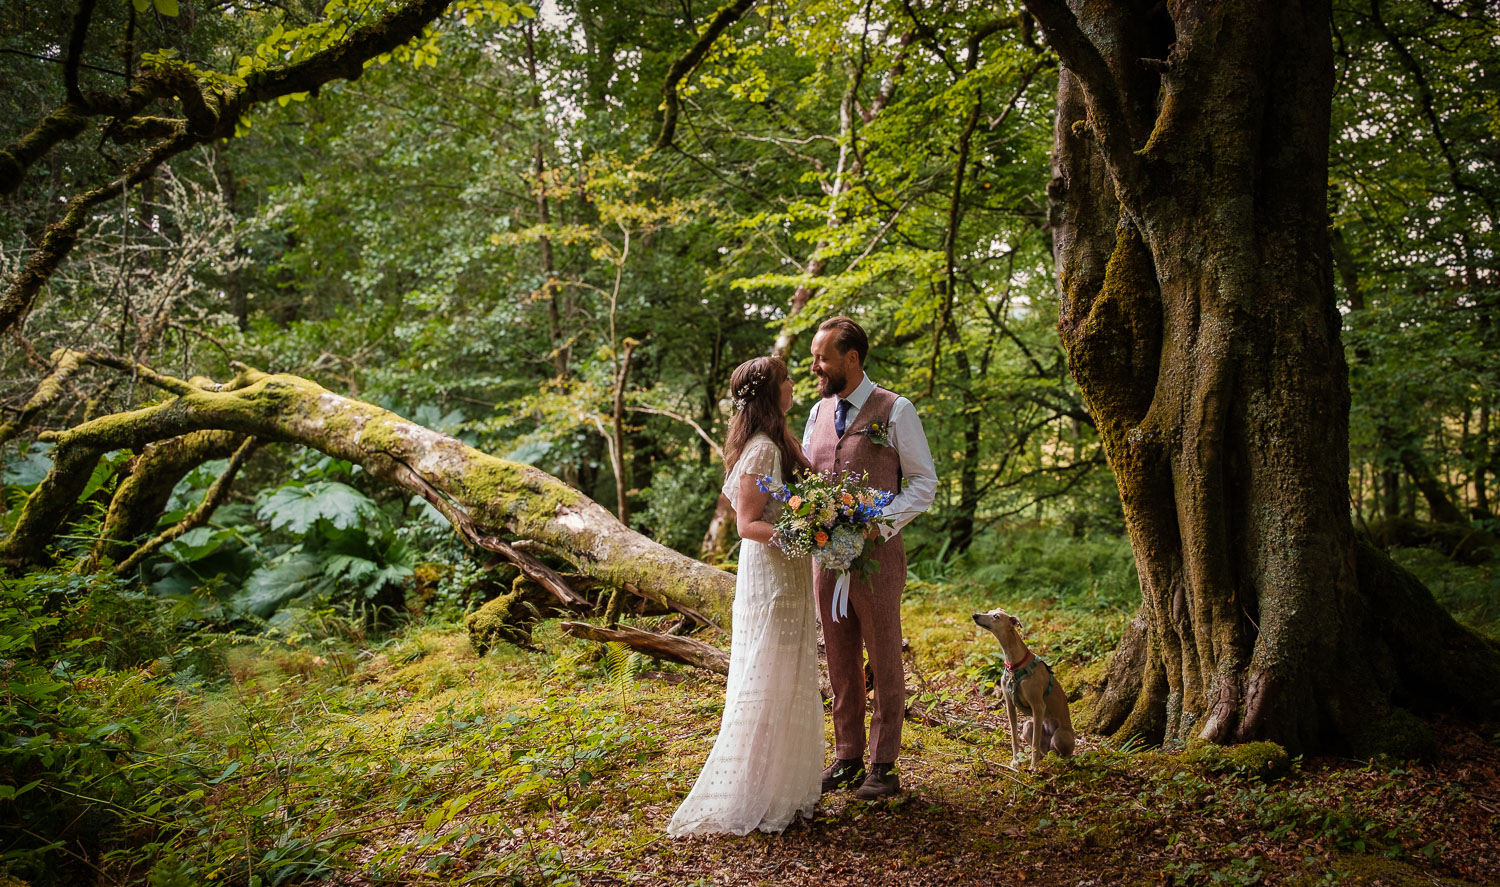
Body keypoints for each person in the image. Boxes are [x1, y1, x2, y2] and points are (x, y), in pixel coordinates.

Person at [667, 356, 825, 836]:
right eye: (786, 379)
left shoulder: (774, 444)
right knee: (770, 671)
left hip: (786, 572)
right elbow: (748, 525)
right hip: (773, 578)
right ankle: (754, 791)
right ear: (770, 392)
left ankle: (776, 787)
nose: (793, 384)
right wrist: (805, 534)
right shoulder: (760, 450)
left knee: (784, 672)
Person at [803, 316, 937, 801]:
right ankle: (847, 756)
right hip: (825, 559)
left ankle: (884, 765)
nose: (816, 366)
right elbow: (808, 476)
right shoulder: (817, 412)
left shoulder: (896, 410)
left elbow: (924, 484)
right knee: (838, 660)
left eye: (822, 357)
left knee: (883, 657)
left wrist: (877, 525)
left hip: (878, 559)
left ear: (851, 358)